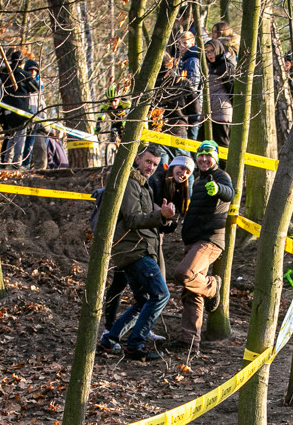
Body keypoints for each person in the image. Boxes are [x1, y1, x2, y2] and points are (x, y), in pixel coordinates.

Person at [98, 146, 178, 361]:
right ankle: (135, 344)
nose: (151, 167)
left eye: (154, 163)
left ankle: (109, 340)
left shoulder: (145, 185)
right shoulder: (130, 184)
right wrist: (159, 215)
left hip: (141, 250)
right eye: (148, 162)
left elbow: (148, 219)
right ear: (137, 159)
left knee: (144, 300)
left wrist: (165, 217)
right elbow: (133, 219)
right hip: (134, 250)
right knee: (161, 295)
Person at [171, 141, 234, 353]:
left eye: (209, 155)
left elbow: (229, 193)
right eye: (201, 155)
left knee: (183, 274)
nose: (204, 159)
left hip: (209, 240)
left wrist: (218, 189)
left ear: (215, 158)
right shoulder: (198, 180)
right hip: (194, 241)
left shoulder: (220, 176)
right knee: (191, 294)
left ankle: (213, 286)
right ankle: (189, 342)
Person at [203, 38, 237, 147]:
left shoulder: (226, 66)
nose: (209, 54)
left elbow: (232, 90)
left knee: (222, 145)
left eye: (212, 51)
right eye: (207, 52)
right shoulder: (210, 67)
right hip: (209, 113)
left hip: (222, 114)